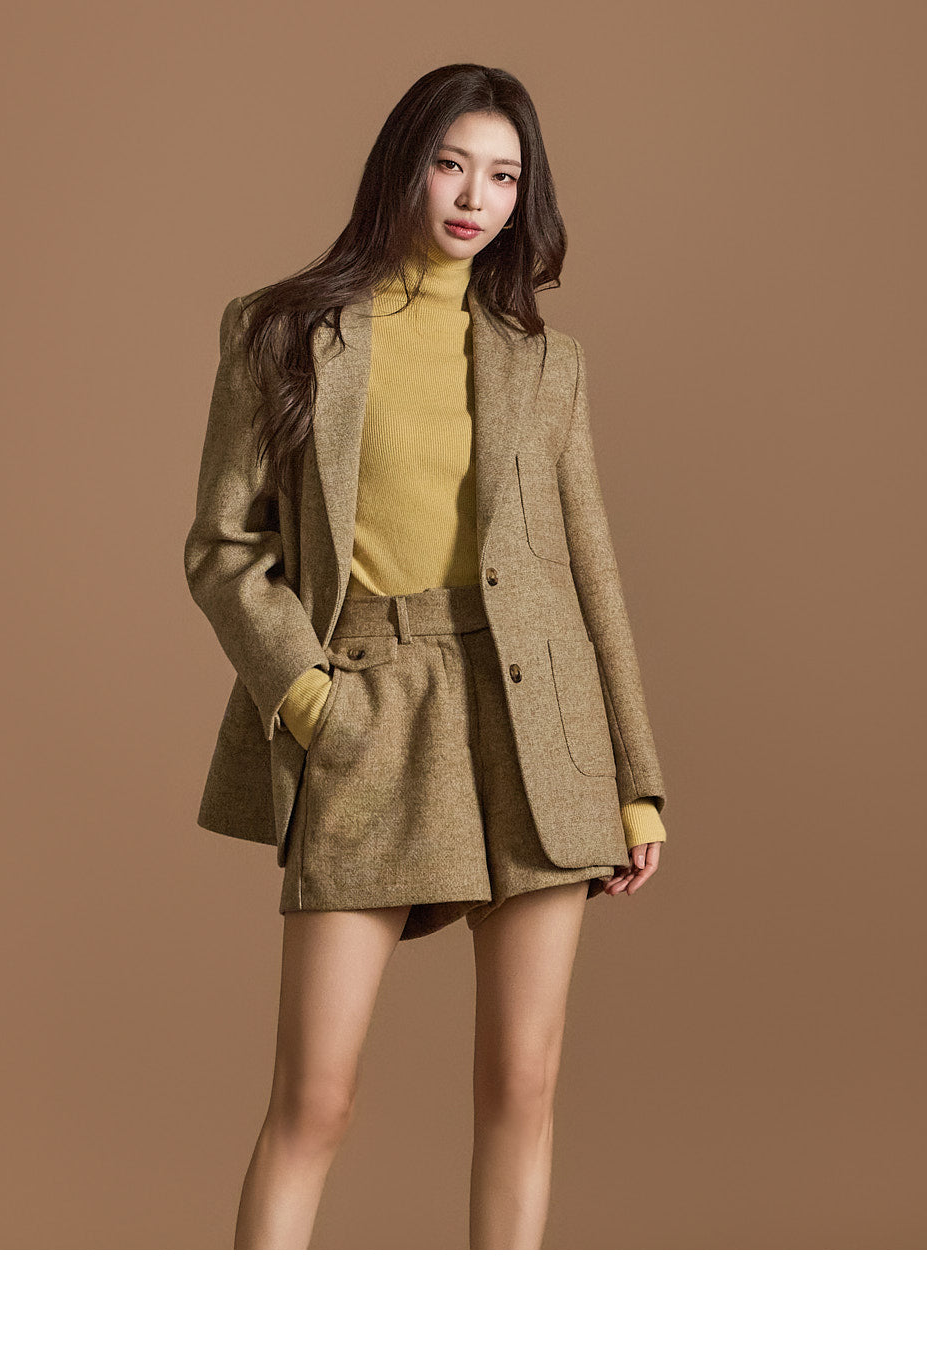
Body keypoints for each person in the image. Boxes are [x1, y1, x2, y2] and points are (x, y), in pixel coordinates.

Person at [184, 63, 669, 1249]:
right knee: (315, 1099)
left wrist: (635, 780)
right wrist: (309, 699)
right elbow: (224, 546)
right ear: (403, 165)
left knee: (523, 1085)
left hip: (536, 720)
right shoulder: (283, 330)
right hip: (369, 704)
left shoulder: (544, 363)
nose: (472, 198)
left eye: (502, 176)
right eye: (452, 165)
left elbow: (588, 573)